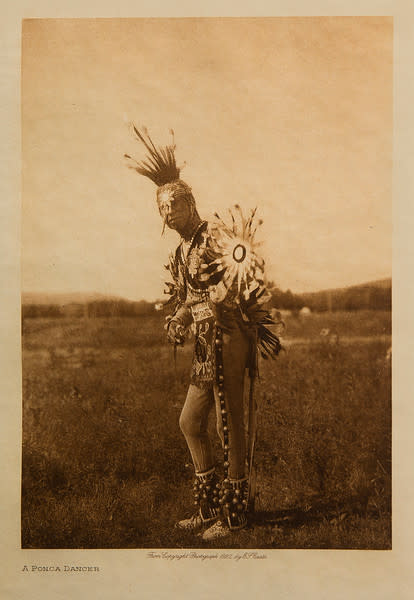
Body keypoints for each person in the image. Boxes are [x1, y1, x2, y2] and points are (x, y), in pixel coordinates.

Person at [125, 127, 281, 540]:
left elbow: (245, 264)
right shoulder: (179, 251)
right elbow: (183, 298)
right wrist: (179, 319)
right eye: (161, 208)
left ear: (190, 203)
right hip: (203, 346)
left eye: (172, 204)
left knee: (229, 424)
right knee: (190, 422)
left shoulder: (213, 236)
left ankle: (234, 517)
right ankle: (208, 508)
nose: (166, 213)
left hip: (229, 338)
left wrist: (218, 298)